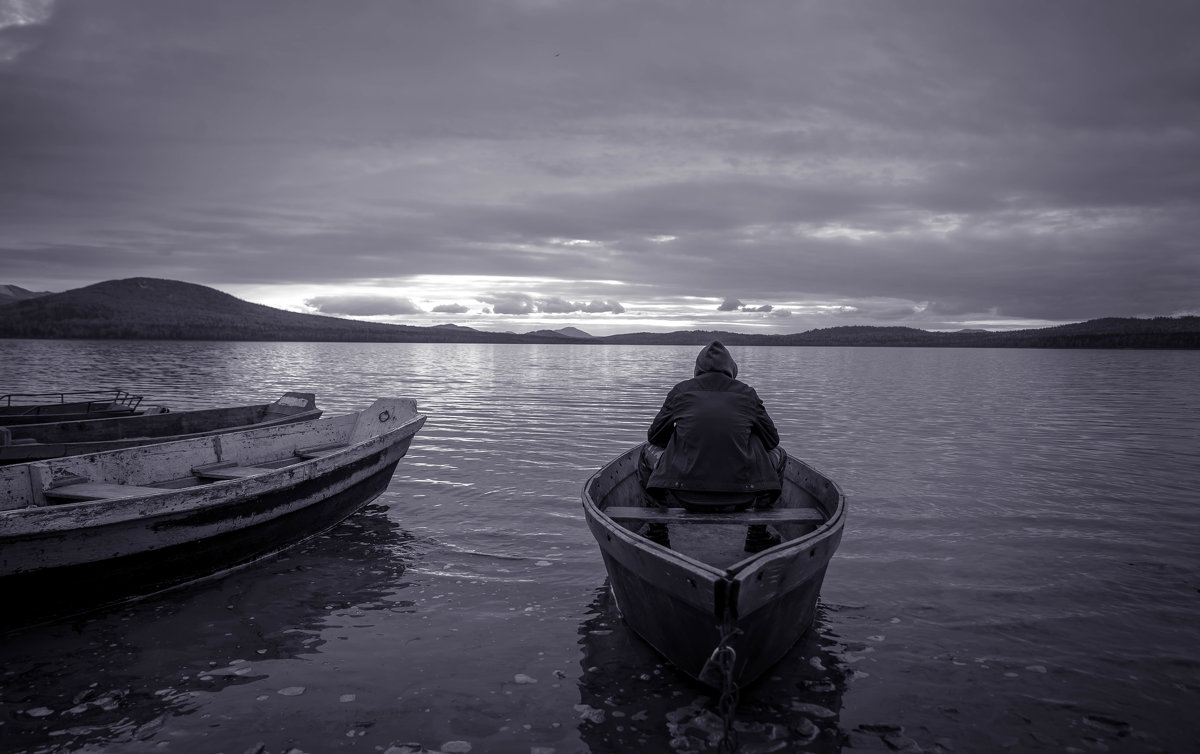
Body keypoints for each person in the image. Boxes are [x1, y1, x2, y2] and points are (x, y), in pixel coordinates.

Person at [638, 341, 787, 551]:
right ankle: (758, 534)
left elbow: (654, 437)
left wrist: (682, 435)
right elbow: (772, 442)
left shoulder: (680, 391)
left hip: (684, 495)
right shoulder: (747, 394)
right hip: (743, 495)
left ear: (697, 369)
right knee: (780, 454)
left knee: (645, 452)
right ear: (731, 369)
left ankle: (658, 532)